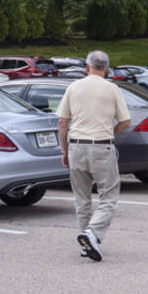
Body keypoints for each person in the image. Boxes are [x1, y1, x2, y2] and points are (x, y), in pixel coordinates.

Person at [56, 49, 132, 261]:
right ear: (106, 68)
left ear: (86, 67)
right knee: (108, 196)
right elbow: (126, 122)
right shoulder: (112, 89)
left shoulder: (73, 87)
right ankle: (92, 234)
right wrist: (110, 131)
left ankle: (87, 243)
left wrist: (64, 151)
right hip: (102, 147)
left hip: (76, 147)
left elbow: (62, 122)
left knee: (82, 198)